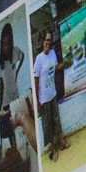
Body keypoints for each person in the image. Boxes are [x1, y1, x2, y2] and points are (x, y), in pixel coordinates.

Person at [37, 27, 66, 157]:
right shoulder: (39, 59)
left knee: (56, 120)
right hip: (44, 98)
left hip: (53, 93)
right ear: (43, 42)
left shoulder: (53, 53)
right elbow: (36, 79)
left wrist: (66, 62)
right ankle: (52, 148)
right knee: (47, 124)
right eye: (46, 40)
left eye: (50, 40)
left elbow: (56, 67)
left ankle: (61, 141)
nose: (48, 42)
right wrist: (38, 100)